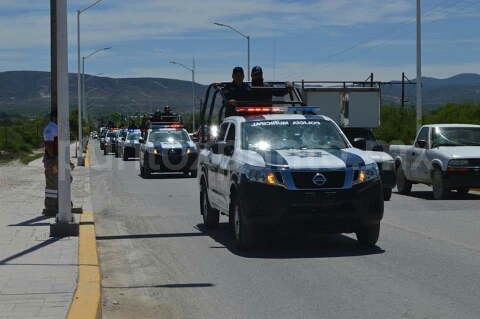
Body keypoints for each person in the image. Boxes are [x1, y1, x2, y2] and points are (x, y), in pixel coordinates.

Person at [42, 109, 74, 216]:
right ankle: (51, 207)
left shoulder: (58, 128)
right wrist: (52, 159)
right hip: (53, 160)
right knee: (53, 183)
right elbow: (49, 142)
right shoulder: (51, 128)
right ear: (55, 117)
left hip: (59, 159)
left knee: (66, 179)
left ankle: (62, 203)